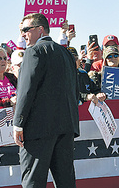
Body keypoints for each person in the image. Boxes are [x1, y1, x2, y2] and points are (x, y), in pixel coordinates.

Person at [13, 13, 79, 188]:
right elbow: (75, 91)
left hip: (38, 130)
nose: (23, 35)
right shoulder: (66, 54)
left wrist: (18, 123)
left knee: (33, 181)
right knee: (66, 182)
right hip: (66, 128)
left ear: (40, 29)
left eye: (26, 30)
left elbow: (25, 91)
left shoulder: (33, 52)